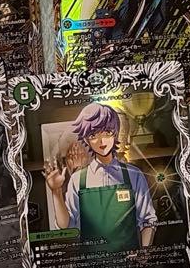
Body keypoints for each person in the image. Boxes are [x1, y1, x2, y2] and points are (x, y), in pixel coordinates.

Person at [44, 102, 157, 251]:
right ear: (86, 140)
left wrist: (144, 253)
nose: (101, 141)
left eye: (107, 132)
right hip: (93, 263)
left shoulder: (133, 175)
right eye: (93, 135)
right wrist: (56, 192)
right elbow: (66, 225)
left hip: (130, 261)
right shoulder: (77, 179)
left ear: (115, 133)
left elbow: (148, 221)